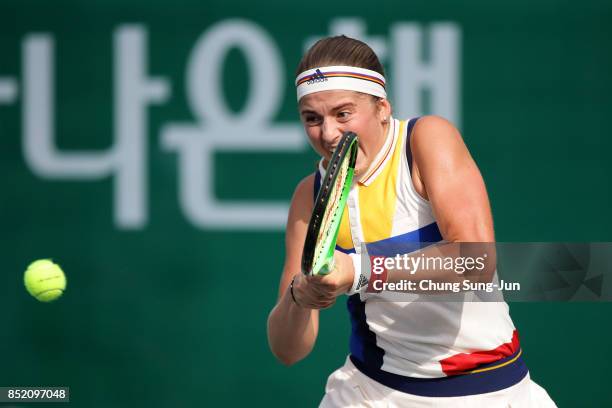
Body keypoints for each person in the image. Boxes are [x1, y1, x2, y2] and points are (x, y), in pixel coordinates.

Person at [267, 35, 556, 407]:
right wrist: (299, 297)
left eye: (343, 113)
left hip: (487, 392)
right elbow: (288, 350)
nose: (328, 134)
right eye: (312, 118)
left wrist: (358, 270)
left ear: (382, 108)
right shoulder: (309, 195)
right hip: (369, 393)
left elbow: (478, 260)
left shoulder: (425, 140)